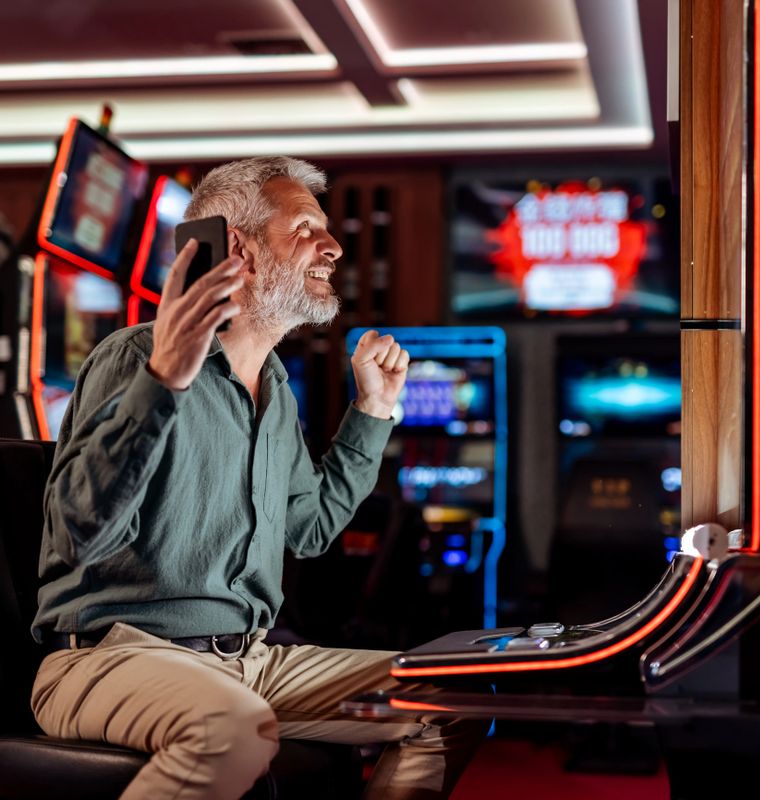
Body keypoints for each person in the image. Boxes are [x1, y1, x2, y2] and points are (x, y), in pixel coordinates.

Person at [30, 157, 484, 799]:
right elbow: (79, 530)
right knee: (234, 730)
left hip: (249, 659)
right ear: (236, 247)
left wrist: (373, 410)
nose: (332, 247)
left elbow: (309, 528)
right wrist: (164, 381)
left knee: (448, 697)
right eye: (305, 228)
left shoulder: (274, 388)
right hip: (112, 656)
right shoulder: (134, 356)